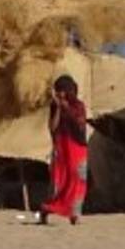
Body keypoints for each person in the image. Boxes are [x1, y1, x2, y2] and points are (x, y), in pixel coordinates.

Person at [39, 74, 88, 225]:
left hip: (77, 147)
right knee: (60, 179)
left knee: (77, 179)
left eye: (63, 90)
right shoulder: (55, 106)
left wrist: (66, 107)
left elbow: (80, 124)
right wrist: (59, 109)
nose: (60, 94)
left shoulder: (78, 106)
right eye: (58, 90)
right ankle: (47, 209)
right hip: (62, 146)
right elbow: (52, 127)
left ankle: (74, 214)